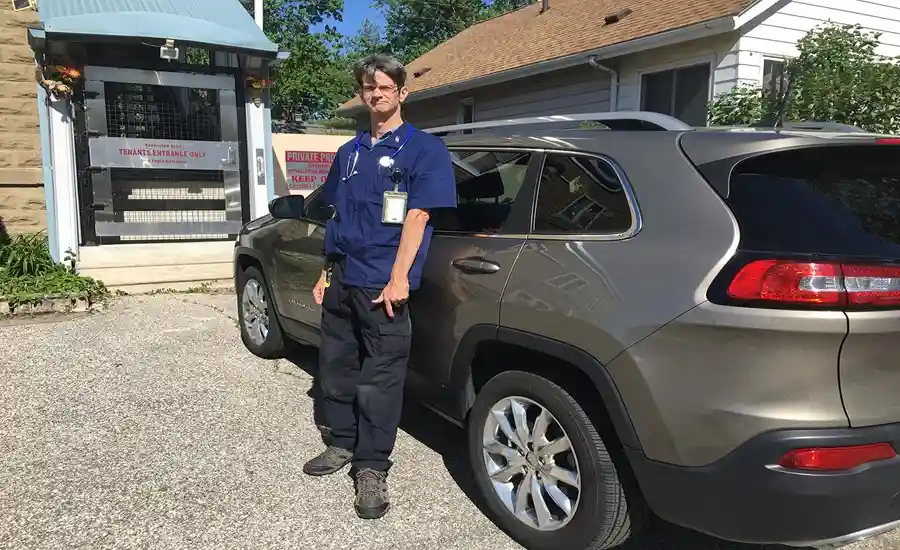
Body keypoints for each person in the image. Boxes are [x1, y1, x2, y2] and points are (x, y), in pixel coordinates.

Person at [302, 53, 457, 520]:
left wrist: (398, 280)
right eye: (369, 88)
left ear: (402, 93)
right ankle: (343, 444)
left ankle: (372, 466)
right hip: (343, 278)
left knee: (380, 381)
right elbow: (338, 215)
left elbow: (419, 215)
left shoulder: (424, 149)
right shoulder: (349, 152)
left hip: (383, 286)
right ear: (362, 93)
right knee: (336, 368)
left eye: (385, 88)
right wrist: (325, 272)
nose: (376, 94)